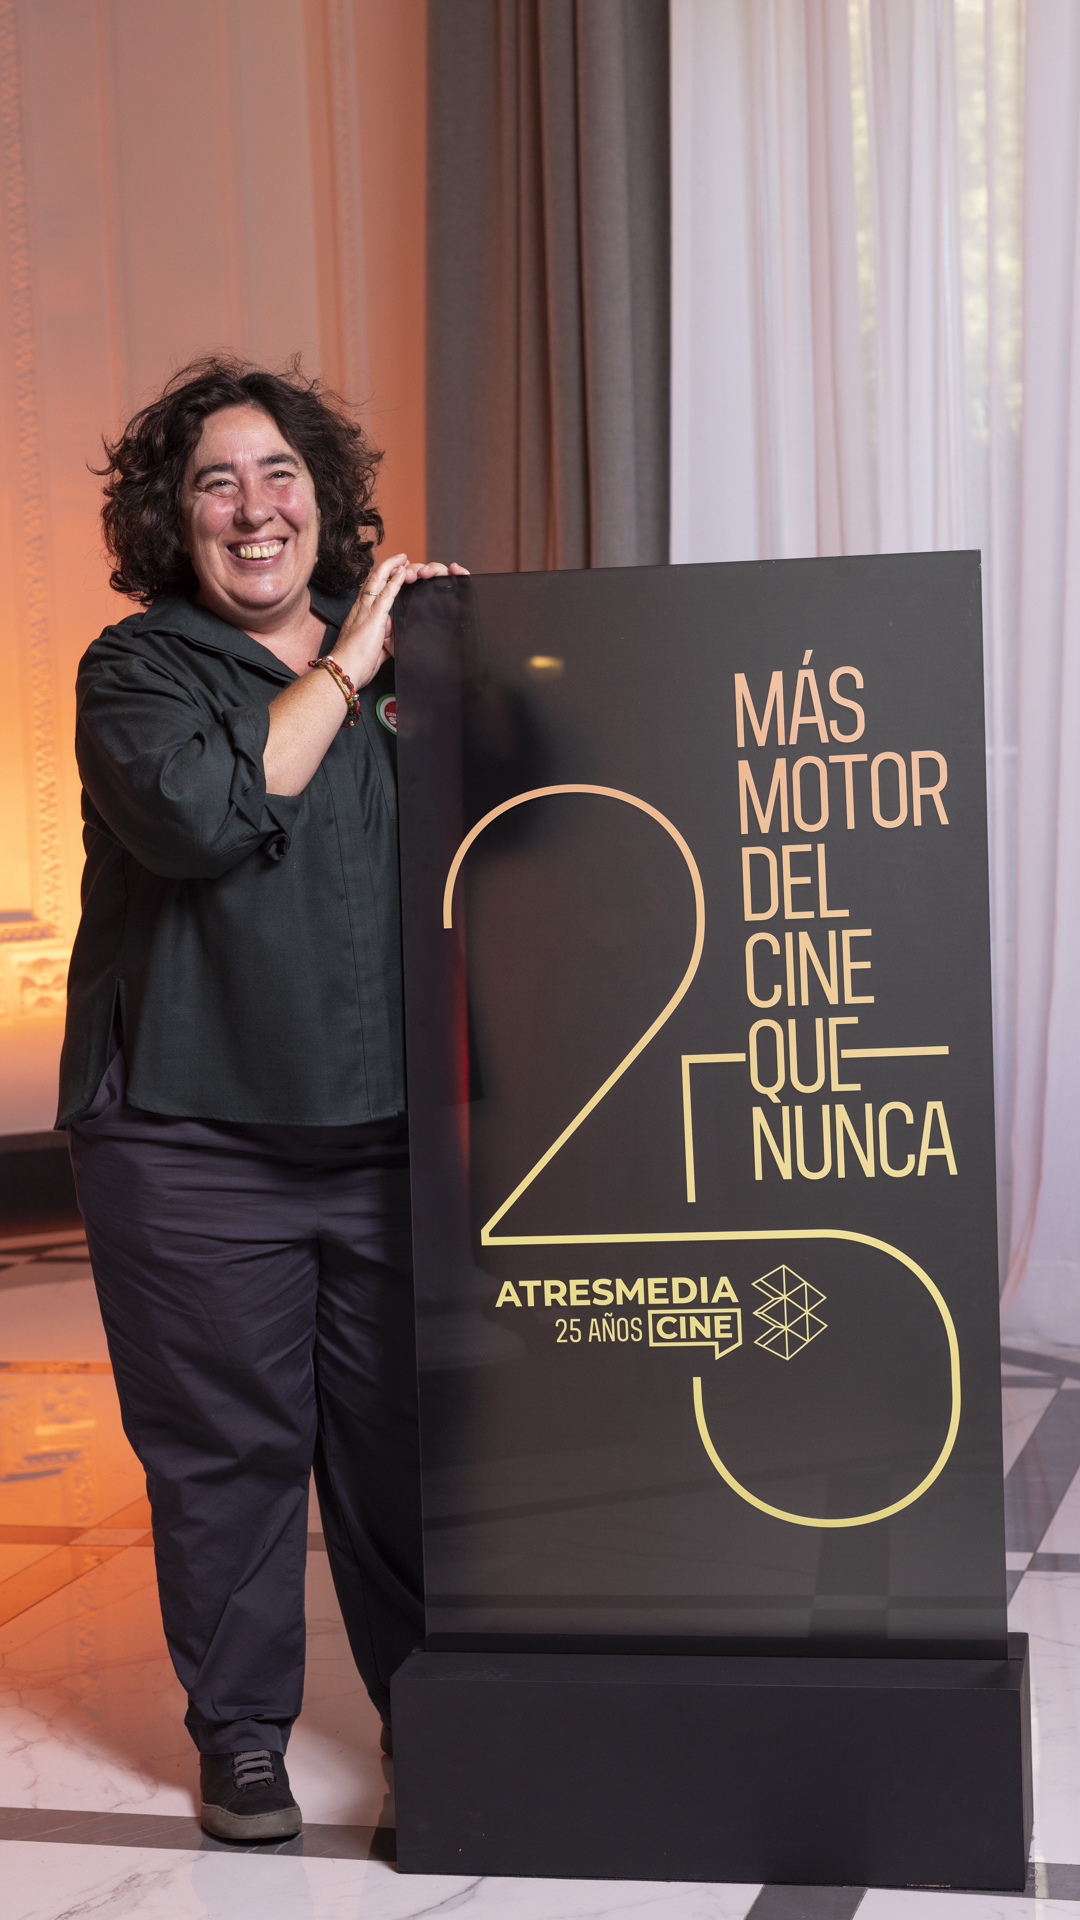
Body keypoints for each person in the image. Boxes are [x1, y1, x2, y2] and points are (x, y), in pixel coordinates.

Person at [58, 356, 466, 1842]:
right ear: (175, 520)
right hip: (190, 1144)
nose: (254, 508)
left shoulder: (418, 661)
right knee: (226, 1455)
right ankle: (240, 1740)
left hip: (394, 1140)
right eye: (215, 481)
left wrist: (488, 661)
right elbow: (202, 815)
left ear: (325, 498)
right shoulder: (138, 670)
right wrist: (349, 667)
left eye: (280, 473)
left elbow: (546, 821)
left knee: (403, 1454)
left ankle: (437, 1724)